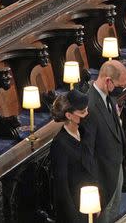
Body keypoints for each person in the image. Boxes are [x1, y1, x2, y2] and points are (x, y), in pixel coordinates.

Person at [81, 60, 126, 223]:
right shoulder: (91, 107)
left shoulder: (109, 96)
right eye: (119, 85)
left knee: (115, 214)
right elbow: (88, 153)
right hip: (102, 179)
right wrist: (94, 191)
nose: (121, 89)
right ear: (108, 81)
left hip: (116, 169)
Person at [50, 90, 92, 223]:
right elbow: (62, 188)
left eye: (86, 110)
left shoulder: (84, 132)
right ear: (69, 115)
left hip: (90, 202)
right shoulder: (60, 144)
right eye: (82, 112)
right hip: (74, 210)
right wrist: (75, 219)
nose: (86, 114)